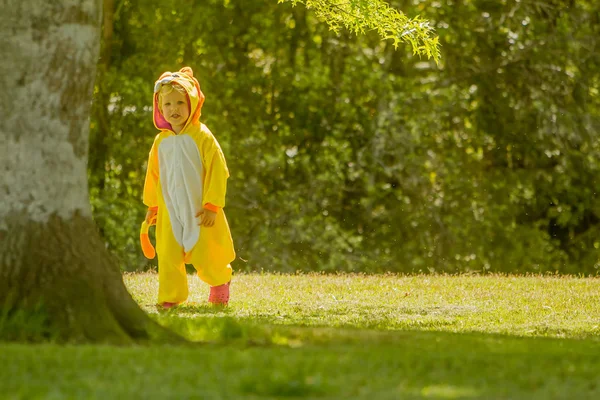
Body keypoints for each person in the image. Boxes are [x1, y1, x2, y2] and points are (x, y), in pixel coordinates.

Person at [140, 66, 235, 308]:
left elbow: (218, 170)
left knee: (207, 252)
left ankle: (219, 281)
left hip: (199, 210)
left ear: (192, 103)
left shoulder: (202, 137)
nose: (174, 110)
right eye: (168, 104)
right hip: (170, 211)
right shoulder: (160, 142)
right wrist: (152, 205)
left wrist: (212, 205)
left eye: (180, 103)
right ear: (159, 108)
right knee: (168, 253)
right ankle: (170, 297)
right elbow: (153, 175)